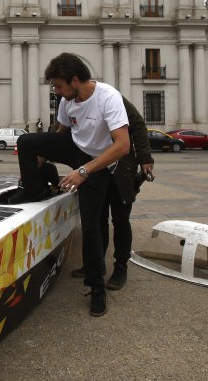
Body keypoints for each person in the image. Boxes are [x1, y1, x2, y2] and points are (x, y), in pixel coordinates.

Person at [8, 53, 130, 317]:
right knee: (27, 142)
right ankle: (34, 189)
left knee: (92, 225)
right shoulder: (67, 100)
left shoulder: (108, 97)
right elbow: (59, 135)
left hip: (99, 163)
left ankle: (97, 289)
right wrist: (35, 167)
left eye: (59, 85)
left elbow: (122, 145)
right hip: (75, 148)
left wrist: (82, 172)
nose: (57, 91)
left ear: (75, 79)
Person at [71, 97, 154, 291]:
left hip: (121, 169)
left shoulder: (111, 98)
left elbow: (138, 125)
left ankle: (121, 266)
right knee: (96, 220)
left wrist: (144, 157)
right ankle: (96, 264)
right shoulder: (72, 102)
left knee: (120, 220)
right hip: (94, 169)